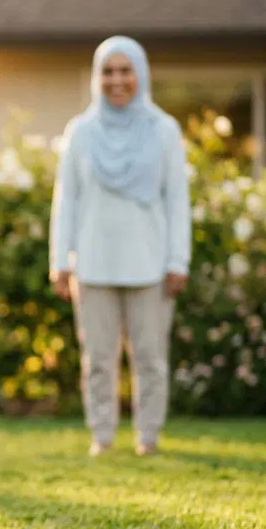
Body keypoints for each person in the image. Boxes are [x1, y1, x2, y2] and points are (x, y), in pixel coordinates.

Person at [48, 36, 192, 458]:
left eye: (125, 70)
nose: (117, 80)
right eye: (108, 71)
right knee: (98, 362)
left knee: (150, 359)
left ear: (141, 75)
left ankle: (148, 438)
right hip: (92, 265)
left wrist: (177, 260)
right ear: (97, 77)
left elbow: (177, 199)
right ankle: (103, 437)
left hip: (151, 265)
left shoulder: (164, 130)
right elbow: (67, 199)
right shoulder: (81, 131)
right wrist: (61, 262)